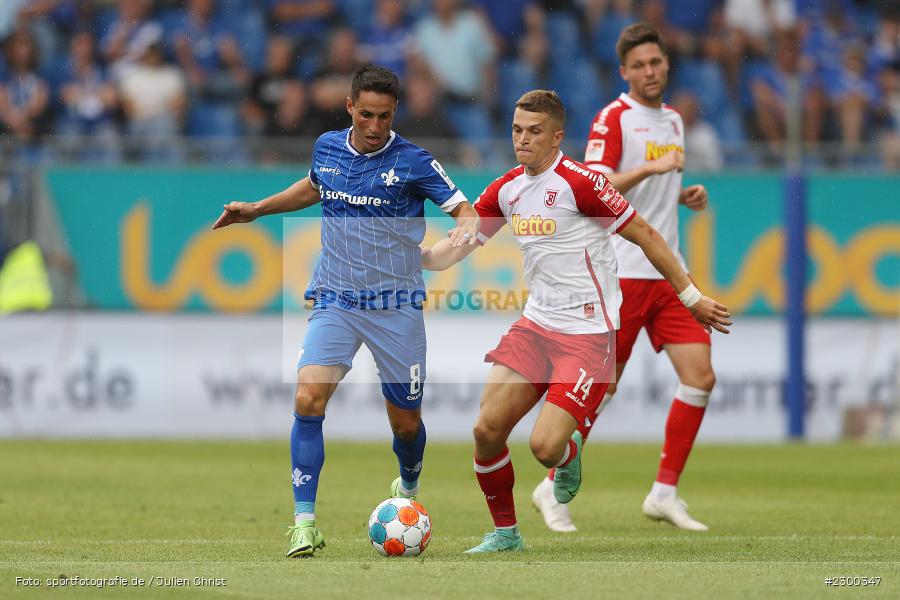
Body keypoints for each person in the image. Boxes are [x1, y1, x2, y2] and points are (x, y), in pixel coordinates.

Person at [420, 90, 731, 553]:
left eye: (534, 131)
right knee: (486, 431)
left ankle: (568, 457)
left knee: (545, 448)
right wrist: (422, 256)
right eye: (517, 130)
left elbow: (646, 234)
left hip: (587, 336)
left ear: (557, 137)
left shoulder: (581, 184)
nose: (522, 139)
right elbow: (456, 248)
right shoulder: (507, 189)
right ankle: (506, 535)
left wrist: (690, 296)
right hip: (535, 327)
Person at [212, 65, 478, 558]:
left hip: (396, 306)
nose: (375, 126)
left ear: (394, 113)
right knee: (308, 397)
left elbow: (464, 209)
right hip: (336, 298)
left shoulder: (414, 161)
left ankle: (408, 482)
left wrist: (463, 231)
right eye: (366, 115)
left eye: (385, 116)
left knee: (406, 425)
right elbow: (315, 187)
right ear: (350, 107)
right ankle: (304, 523)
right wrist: (258, 209)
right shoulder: (328, 147)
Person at [531, 22, 723, 533]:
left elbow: (651, 192)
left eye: (656, 62)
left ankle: (664, 493)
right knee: (600, 388)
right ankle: (550, 485)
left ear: (667, 64)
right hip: (621, 272)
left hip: (667, 271)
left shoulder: (674, 120)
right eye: (639, 65)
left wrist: (680, 193)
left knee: (700, 376)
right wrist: (652, 173)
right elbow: (596, 183)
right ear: (624, 72)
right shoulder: (613, 118)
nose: (650, 71)